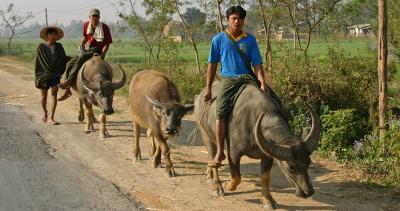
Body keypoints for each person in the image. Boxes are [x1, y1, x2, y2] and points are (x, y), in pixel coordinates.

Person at [204, 5, 268, 168]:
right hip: (229, 79)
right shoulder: (218, 39)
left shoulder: (250, 39)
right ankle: (219, 150)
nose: (237, 21)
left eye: (240, 18)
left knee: (273, 102)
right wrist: (208, 87)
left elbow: (257, 64)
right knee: (221, 111)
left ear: (243, 20)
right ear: (228, 20)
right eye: (233, 18)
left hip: (247, 78)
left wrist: (262, 83)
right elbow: (212, 64)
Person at [58, 8, 113, 101]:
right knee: (69, 63)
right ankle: (68, 89)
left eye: (96, 16)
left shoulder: (104, 27)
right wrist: (82, 45)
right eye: (93, 16)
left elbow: (107, 44)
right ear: (89, 17)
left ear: (99, 17)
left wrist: (102, 54)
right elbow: (85, 38)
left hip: (98, 51)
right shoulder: (86, 25)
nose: (95, 18)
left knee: (82, 56)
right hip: (89, 50)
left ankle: (68, 81)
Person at [34, 26, 68, 125]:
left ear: (56, 36)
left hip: (55, 75)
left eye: (54, 34)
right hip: (44, 76)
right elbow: (39, 63)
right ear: (47, 36)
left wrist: (76, 58)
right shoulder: (41, 47)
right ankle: (45, 112)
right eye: (51, 34)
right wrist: (38, 76)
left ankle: (51, 117)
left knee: (54, 96)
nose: (53, 36)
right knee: (44, 97)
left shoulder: (59, 46)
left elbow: (63, 58)